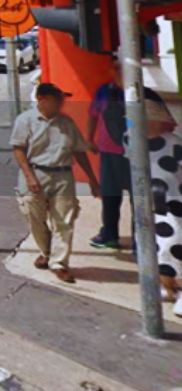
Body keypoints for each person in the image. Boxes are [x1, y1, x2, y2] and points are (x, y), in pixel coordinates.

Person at [10, 83, 100, 284]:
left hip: (62, 176)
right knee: (34, 216)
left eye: (61, 99)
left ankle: (59, 263)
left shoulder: (67, 123)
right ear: (41, 99)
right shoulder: (25, 120)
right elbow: (18, 149)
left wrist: (92, 179)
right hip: (36, 173)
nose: (60, 103)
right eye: (56, 99)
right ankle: (46, 252)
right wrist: (29, 176)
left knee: (64, 221)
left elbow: (78, 151)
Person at [144, 95, 182, 318]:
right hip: (151, 204)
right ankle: (168, 287)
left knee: (174, 245)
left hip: (174, 203)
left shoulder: (174, 143)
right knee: (156, 249)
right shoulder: (134, 141)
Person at [87, 61, 131, 250]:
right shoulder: (104, 91)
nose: (117, 71)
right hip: (109, 151)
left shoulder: (140, 92)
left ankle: (142, 239)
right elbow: (93, 114)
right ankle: (109, 234)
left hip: (136, 154)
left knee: (140, 197)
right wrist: (89, 138)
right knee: (110, 195)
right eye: (116, 68)